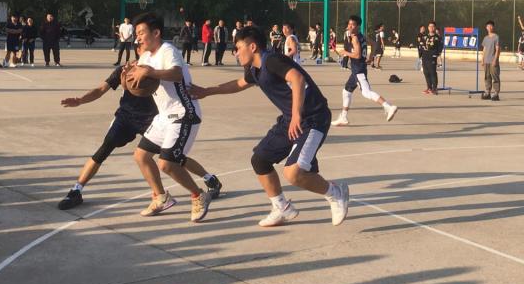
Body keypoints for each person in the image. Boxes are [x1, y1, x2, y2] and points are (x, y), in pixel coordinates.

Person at [190, 25, 349, 228]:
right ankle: (281, 207)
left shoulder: (272, 60)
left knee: (293, 174)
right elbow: (238, 84)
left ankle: (336, 193)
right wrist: (207, 91)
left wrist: (296, 115)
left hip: (313, 119)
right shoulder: (255, 69)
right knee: (260, 160)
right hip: (290, 119)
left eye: (238, 48)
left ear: (252, 47)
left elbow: (297, 78)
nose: (236, 53)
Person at [57, 55, 222, 210]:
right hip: (125, 118)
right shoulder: (123, 70)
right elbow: (101, 89)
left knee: (173, 157)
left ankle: (210, 179)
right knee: (103, 150)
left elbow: (177, 84)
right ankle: (76, 190)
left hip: (152, 119)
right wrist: (80, 100)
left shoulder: (156, 73)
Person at [125, 12, 212, 222]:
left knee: (167, 163)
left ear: (156, 33)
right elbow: (138, 81)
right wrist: (127, 76)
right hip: (163, 116)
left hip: (184, 113)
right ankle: (161, 197)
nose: (138, 37)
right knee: (141, 156)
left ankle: (198, 195)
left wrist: (149, 72)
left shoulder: (168, 50)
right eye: (137, 33)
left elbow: (176, 74)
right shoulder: (145, 57)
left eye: (141, 32)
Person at [334, 15, 398, 125]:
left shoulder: (355, 38)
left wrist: (345, 52)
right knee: (346, 91)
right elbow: (374, 44)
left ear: (358, 26)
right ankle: (343, 117)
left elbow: (357, 55)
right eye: (349, 24)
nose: (350, 26)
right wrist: (370, 57)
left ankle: (388, 106)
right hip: (357, 70)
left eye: (353, 24)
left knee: (366, 92)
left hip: (358, 69)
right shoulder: (361, 36)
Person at [419, 21, 442, 94]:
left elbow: (440, 47)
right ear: (428, 27)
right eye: (430, 26)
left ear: (435, 28)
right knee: (426, 72)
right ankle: (429, 88)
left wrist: (436, 54)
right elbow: (421, 45)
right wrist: (421, 55)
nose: (431, 28)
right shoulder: (425, 36)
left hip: (432, 57)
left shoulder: (437, 37)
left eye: (432, 26)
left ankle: (434, 88)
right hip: (425, 56)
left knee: (432, 72)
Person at [480, 20, 500, 101]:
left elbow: (497, 49)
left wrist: (495, 60)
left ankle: (496, 93)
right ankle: (487, 92)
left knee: (495, 77)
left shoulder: (496, 37)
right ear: (486, 27)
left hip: (493, 61)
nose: (490, 27)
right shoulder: (485, 38)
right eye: (488, 26)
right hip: (486, 61)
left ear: (493, 27)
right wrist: (482, 59)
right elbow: (484, 49)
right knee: (487, 77)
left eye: (491, 26)